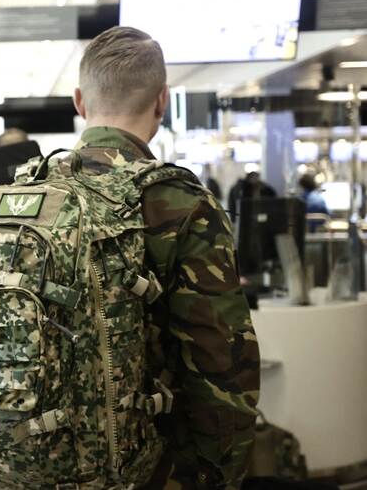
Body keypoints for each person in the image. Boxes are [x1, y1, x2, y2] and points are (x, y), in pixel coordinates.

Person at [70, 27, 260, 489]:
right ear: (162, 101)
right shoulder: (180, 201)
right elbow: (221, 359)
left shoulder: (24, 196)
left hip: (40, 461)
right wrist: (221, 475)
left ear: (79, 102)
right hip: (147, 466)